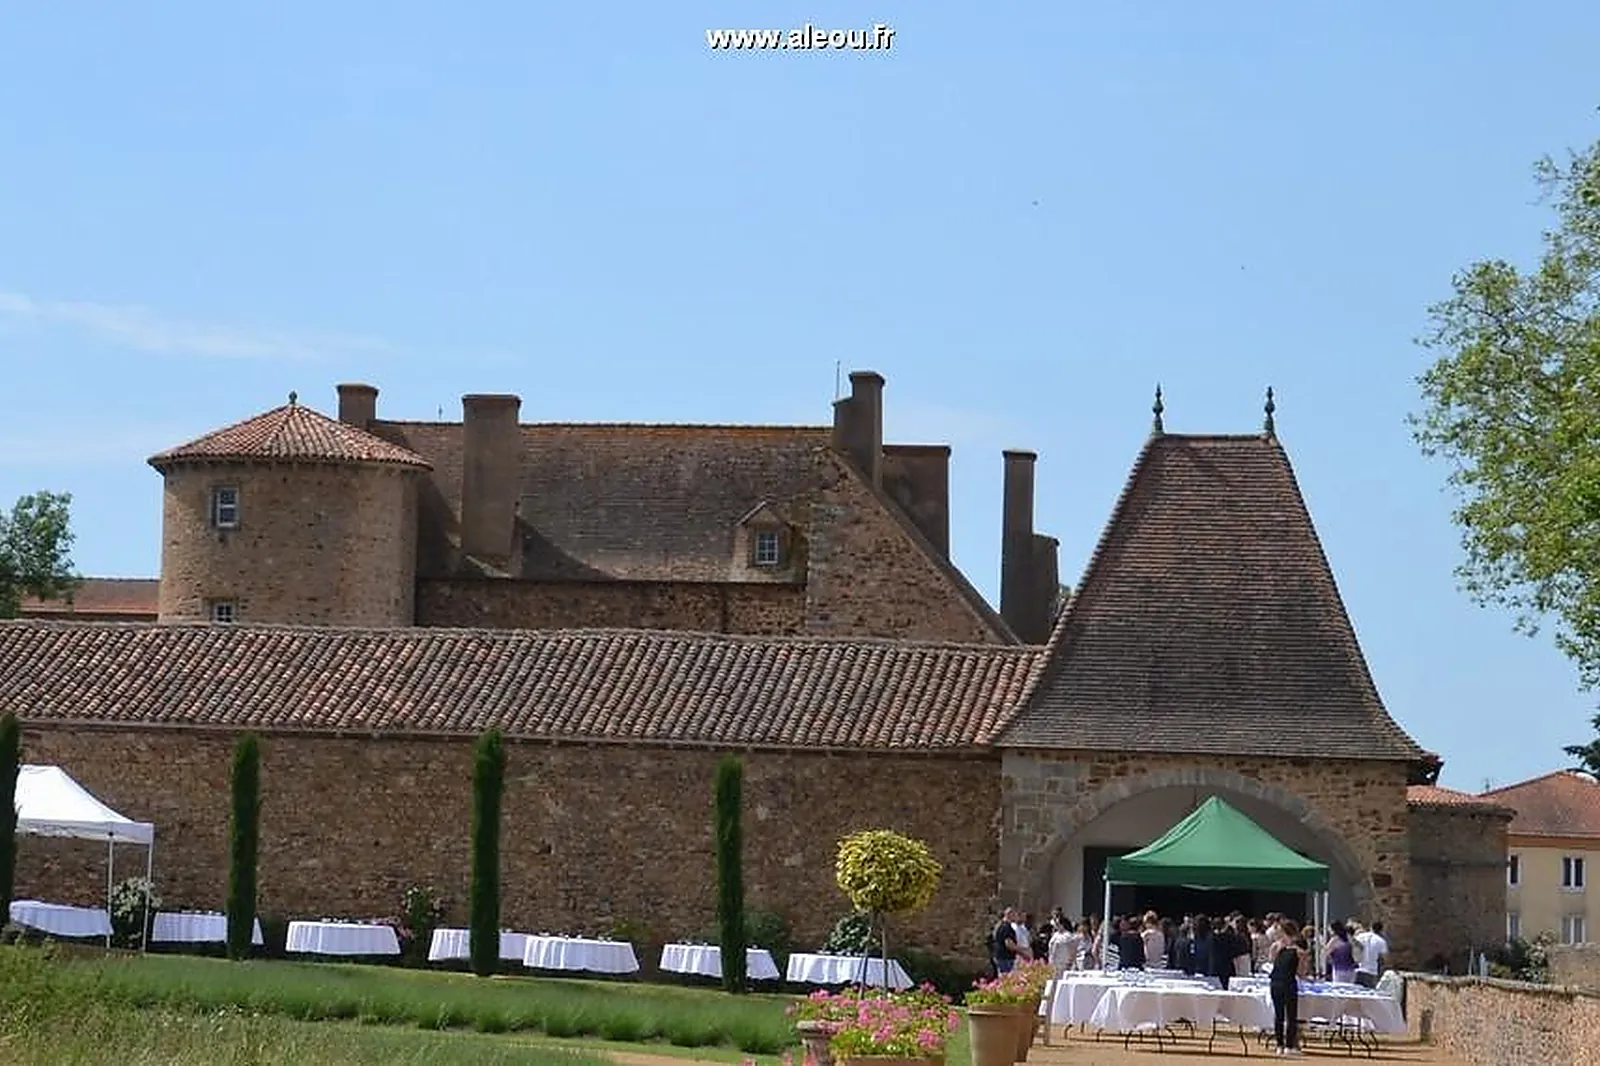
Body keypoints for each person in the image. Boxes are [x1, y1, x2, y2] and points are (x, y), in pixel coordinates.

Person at [1269, 919, 1308, 1056]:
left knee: (1278, 1015)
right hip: (1288, 982)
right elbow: (1301, 973)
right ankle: (1289, 1046)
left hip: (1275, 982)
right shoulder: (1299, 952)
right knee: (1291, 1015)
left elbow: (1273, 963)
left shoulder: (1276, 947)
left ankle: (1279, 1045)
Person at [1353, 920, 1388, 989]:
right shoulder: (1381, 941)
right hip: (1372, 971)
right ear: (1381, 930)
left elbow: (1353, 947)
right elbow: (1385, 958)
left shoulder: (1360, 937)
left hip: (1358, 969)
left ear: (1370, 927)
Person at [991, 907, 1023, 974]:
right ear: (1010, 915)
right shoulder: (1006, 927)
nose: (1016, 917)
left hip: (1000, 956)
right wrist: (1022, 951)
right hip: (1006, 958)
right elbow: (1009, 944)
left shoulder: (999, 925)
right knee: (1007, 979)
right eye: (1014, 915)